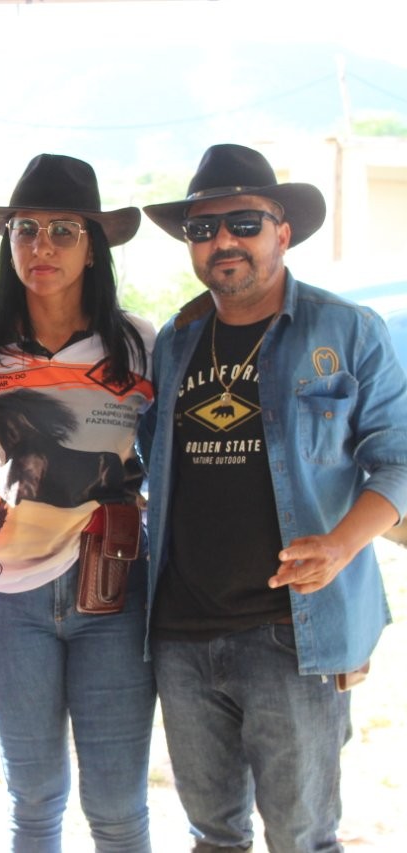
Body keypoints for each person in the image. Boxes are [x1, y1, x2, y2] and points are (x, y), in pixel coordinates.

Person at [139, 143, 407, 852]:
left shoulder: (347, 330)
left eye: (244, 223)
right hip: (181, 631)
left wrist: (341, 546)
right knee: (212, 835)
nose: (223, 240)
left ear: (282, 232)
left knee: (302, 836)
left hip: (293, 633)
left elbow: (398, 459)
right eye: (203, 228)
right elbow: (147, 459)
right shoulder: (177, 340)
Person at [0, 154, 156, 851]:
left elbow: (173, 463)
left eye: (63, 231)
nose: (41, 246)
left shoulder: (140, 346)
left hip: (115, 595)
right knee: (35, 802)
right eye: (26, 229)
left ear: (93, 248)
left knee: (117, 808)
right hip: (8, 600)